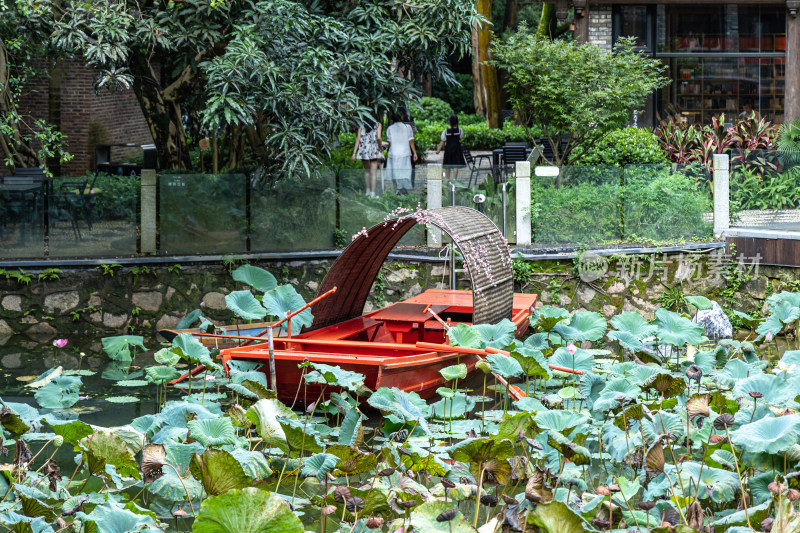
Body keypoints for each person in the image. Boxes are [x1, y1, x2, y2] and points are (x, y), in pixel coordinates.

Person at [385, 112, 417, 194]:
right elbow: (411, 141)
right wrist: (415, 153)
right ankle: (403, 189)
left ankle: (397, 189)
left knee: (394, 172)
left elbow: (390, 142)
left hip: (394, 153)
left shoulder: (390, 128)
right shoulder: (407, 127)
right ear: (401, 117)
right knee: (405, 172)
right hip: (405, 152)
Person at [352, 119, 382, 197]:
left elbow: (358, 139)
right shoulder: (378, 124)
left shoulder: (361, 125)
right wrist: (380, 147)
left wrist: (354, 153)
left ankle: (367, 192)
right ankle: (373, 194)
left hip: (363, 150)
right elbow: (379, 138)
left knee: (367, 171)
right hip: (373, 149)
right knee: (374, 173)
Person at [436, 114, 466, 180]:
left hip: (448, 150)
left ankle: (447, 180)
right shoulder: (460, 130)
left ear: (449, 122)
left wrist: (438, 150)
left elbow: (442, 141)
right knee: (455, 166)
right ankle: (454, 180)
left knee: (447, 166)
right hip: (457, 149)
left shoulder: (446, 131)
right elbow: (460, 138)